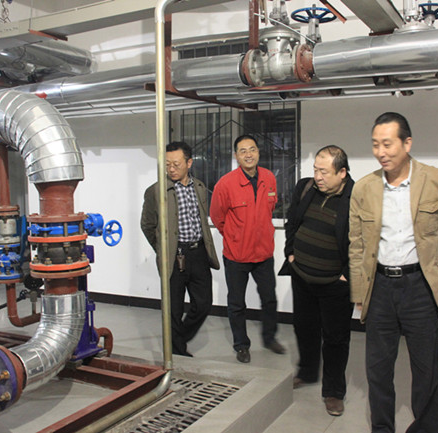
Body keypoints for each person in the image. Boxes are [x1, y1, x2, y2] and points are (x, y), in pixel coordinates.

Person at [349, 112, 438, 433]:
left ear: (407, 143)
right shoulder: (364, 188)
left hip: (421, 288)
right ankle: (382, 428)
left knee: (426, 370)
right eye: (375, 145)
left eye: (387, 144)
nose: (381, 152)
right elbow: (356, 244)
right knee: (378, 369)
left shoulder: (436, 180)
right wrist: (359, 292)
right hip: (379, 288)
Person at [279, 145, 354, 417]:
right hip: (302, 276)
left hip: (335, 283)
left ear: (342, 173)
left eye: (324, 172)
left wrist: (347, 275)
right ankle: (308, 372)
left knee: (335, 339)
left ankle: (333, 391)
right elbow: (292, 222)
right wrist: (290, 253)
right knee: (304, 328)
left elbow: (361, 241)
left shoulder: (356, 196)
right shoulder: (306, 187)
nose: (318, 177)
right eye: (315, 170)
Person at [210, 134, 285, 363]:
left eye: (252, 149)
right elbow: (217, 217)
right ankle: (241, 345)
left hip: (263, 253)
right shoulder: (225, 184)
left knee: (269, 299)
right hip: (236, 255)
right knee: (236, 303)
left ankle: (269, 338)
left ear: (258, 152)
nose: (248, 154)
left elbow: (270, 208)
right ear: (236, 156)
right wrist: (234, 236)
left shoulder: (269, 178)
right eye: (243, 151)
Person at [140, 141, 220, 357]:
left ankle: (177, 339)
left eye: (176, 164)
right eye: (167, 164)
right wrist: (163, 249)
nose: (171, 169)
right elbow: (147, 225)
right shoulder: (156, 191)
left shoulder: (199, 187)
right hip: (173, 256)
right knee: (173, 308)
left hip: (199, 253)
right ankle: (177, 352)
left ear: (189, 163)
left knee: (203, 304)